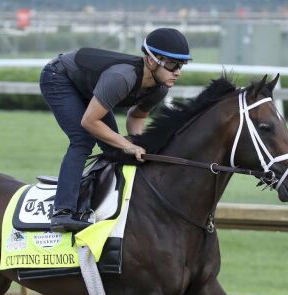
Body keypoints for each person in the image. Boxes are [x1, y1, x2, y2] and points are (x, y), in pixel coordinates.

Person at [39, 28, 191, 232]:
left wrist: (139, 146)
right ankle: (62, 212)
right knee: (83, 139)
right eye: (173, 65)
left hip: (87, 86)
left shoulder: (160, 88)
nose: (178, 72)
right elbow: (89, 122)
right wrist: (128, 145)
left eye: (181, 65)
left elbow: (136, 116)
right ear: (152, 61)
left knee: (116, 150)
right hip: (59, 76)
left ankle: (102, 203)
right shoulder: (122, 78)